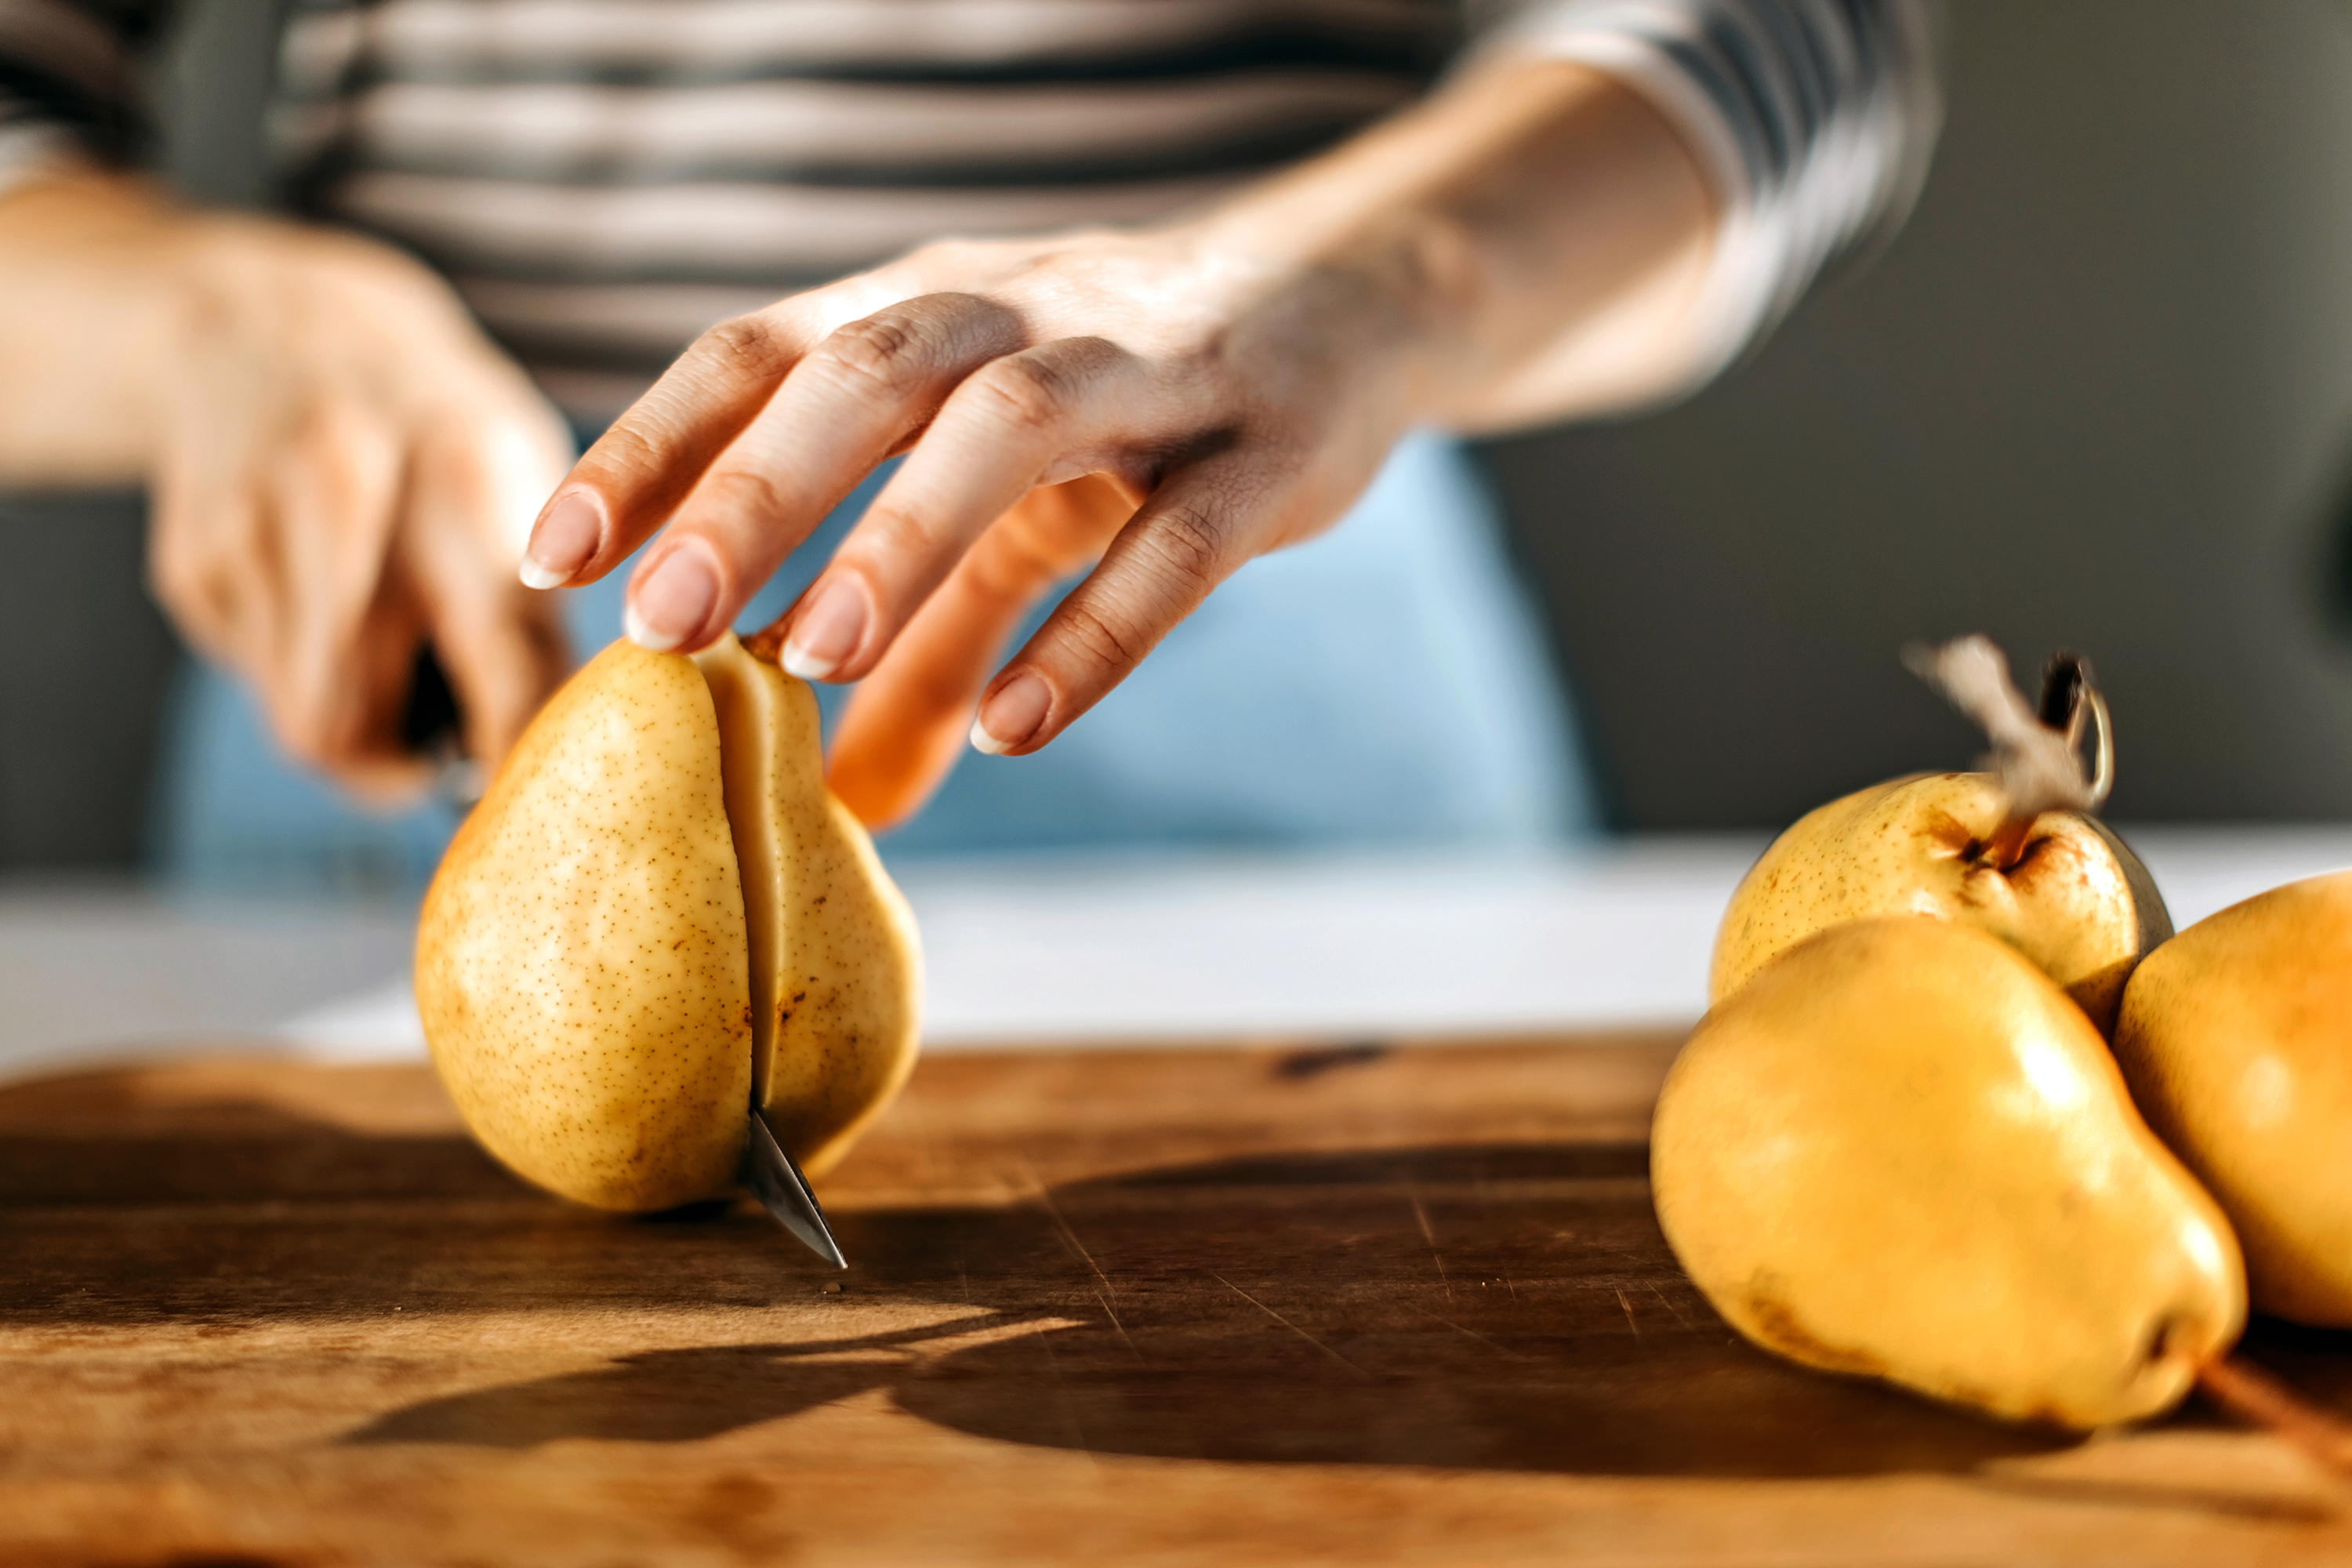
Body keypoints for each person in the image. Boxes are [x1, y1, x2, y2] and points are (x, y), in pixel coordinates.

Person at [0, 0, 1941, 883]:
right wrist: (225, 326)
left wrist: (1353, 277)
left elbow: (1799, 33)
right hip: (457, 604)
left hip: (1233, 585)